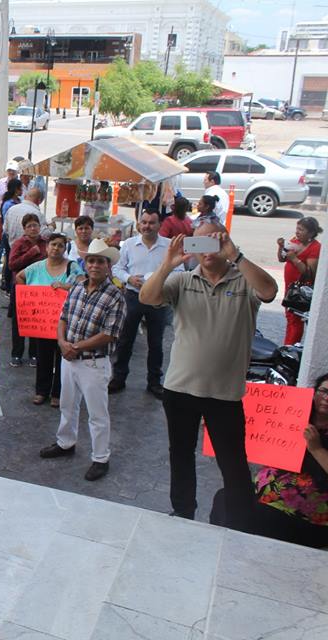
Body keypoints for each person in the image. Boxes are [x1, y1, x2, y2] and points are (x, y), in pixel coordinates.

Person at [139, 223, 278, 531]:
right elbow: (147, 298)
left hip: (225, 394)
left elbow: (269, 291)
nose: (207, 250)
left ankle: (241, 523)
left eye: (213, 241)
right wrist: (168, 263)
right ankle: (183, 512)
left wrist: (235, 254)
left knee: (233, 461)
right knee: (181, 455)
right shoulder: (182, 280)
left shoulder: (243, 280)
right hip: (180, 388)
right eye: (199, 243)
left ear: (225, 242)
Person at [39, 239, 126, 482]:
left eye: (100, 261)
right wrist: (62, 342)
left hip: (93, 362)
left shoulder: (115, 296)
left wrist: (74, 347)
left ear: (108, 266)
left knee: (97, 414)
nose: (95, 265)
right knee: (67, 404)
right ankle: (65, 442)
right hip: (69, 358)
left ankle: (101, 458)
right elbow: (63, 317)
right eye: (91, 261)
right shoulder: (77, 287)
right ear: (85, 264)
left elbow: (109, 334)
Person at [239, 372, 328, 548]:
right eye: (323, 391)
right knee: (225, 499)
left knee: (255, 516)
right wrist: (216, 430)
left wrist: (317, 449)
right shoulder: (295, 414)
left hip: (305, 516)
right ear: (315, 392)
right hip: (264, 495)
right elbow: (252, 431)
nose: (326, 398)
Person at [109, 210, 177, 399]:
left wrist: (160, 280)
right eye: (144, 222)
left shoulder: (169, 246)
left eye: (152, 223)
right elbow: (117, 268)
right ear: (139, 224)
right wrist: (129, 278)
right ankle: (118, 378)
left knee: (156, 342)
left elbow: (179, 270)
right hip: (133, 296)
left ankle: (154, 382)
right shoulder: (129, 244)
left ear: (160, 224)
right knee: (125, 340)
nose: (147, 226)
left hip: (158, 299)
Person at [17, 234, 84, 406]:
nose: (56, 248)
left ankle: (57, 393)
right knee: (43, 356)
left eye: (60, 245)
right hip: (43, 323)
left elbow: (83, 285)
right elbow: (20, 276)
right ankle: (41, 391)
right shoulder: (37, 267)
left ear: (65, 249)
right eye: (53, 244)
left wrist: (65, 286)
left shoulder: (72, 267)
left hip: (66, 322)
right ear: (47, 247)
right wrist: (26, 296)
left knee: (63, 358)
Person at [8, 213, 48, 368]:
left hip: (39, 289)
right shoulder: (19, 244)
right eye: (29, 226)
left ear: (39, 227)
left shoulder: (45, 243)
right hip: (21, 288)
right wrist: (31, 253)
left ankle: (34, 354)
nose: (33, 228)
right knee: (19, 321)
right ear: (24, 229)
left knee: (36, 322)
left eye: (35, 225)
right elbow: (12, 265)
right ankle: (16, 354)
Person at [278, 216, 322, 345]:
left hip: (300, 291)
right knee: (290, 317)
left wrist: (295, 259)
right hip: (289, 287)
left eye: (301, 230)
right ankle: (287, 345)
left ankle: (290, 346)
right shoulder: (294, 241)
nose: (297, 232)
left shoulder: (315, 247)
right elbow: (282, 259)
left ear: (311, 233)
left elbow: (310, 274)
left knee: (295, 320)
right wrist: (280, 247)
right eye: (297, 228)